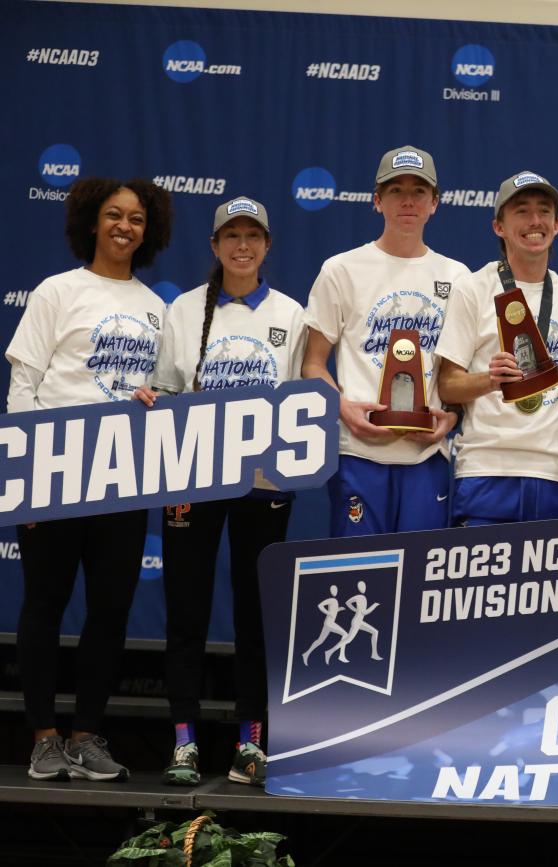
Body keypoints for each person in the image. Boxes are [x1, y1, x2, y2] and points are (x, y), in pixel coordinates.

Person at [5, 176, 172, 782]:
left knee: (110, 608)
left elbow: (162, 394)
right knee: (45, 603)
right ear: (91, 222)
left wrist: (159, 398)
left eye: (135, 218)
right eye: (113, 215)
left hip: (122, 475)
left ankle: (87, 736)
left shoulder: (155, 308)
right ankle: (45, 737)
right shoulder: (57, 291)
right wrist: (23, 475)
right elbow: (24, 384)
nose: (124, 226)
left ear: (147, 231)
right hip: (54, 467)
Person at [134, 197, 305, 787]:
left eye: (252, 235)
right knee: (186, 607)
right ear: (213, 246)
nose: (241, 246)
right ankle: (183, 740)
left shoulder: (290, 312)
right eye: (230, 235)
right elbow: (162, 391)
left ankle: (250, 740)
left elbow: (301, 405)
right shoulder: (183, 310)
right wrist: (156, 401)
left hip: (263, 484)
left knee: (256, 610)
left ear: (267, 245)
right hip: (193, 476)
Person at [302, 146, 467, 536]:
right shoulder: (341, 269)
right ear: (377, 201)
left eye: (419, 191)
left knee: (420, 583)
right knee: (356, 579)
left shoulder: (458, 277)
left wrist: (454, 416)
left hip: (427, 454)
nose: (407, 200)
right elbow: (312, 363)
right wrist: (343, 408)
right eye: (395, 190)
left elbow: (460, 372)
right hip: (359, 453)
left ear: (435, 203)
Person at [436, 171, 558, 524]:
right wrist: (490, 379)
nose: (535, 221)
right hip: (487, 467)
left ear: (557, 225)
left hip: (556, 471)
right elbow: (446, 384)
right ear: (498, 226)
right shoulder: (472, 288)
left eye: (544, 211)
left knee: (554, 580)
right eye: (521, 211)